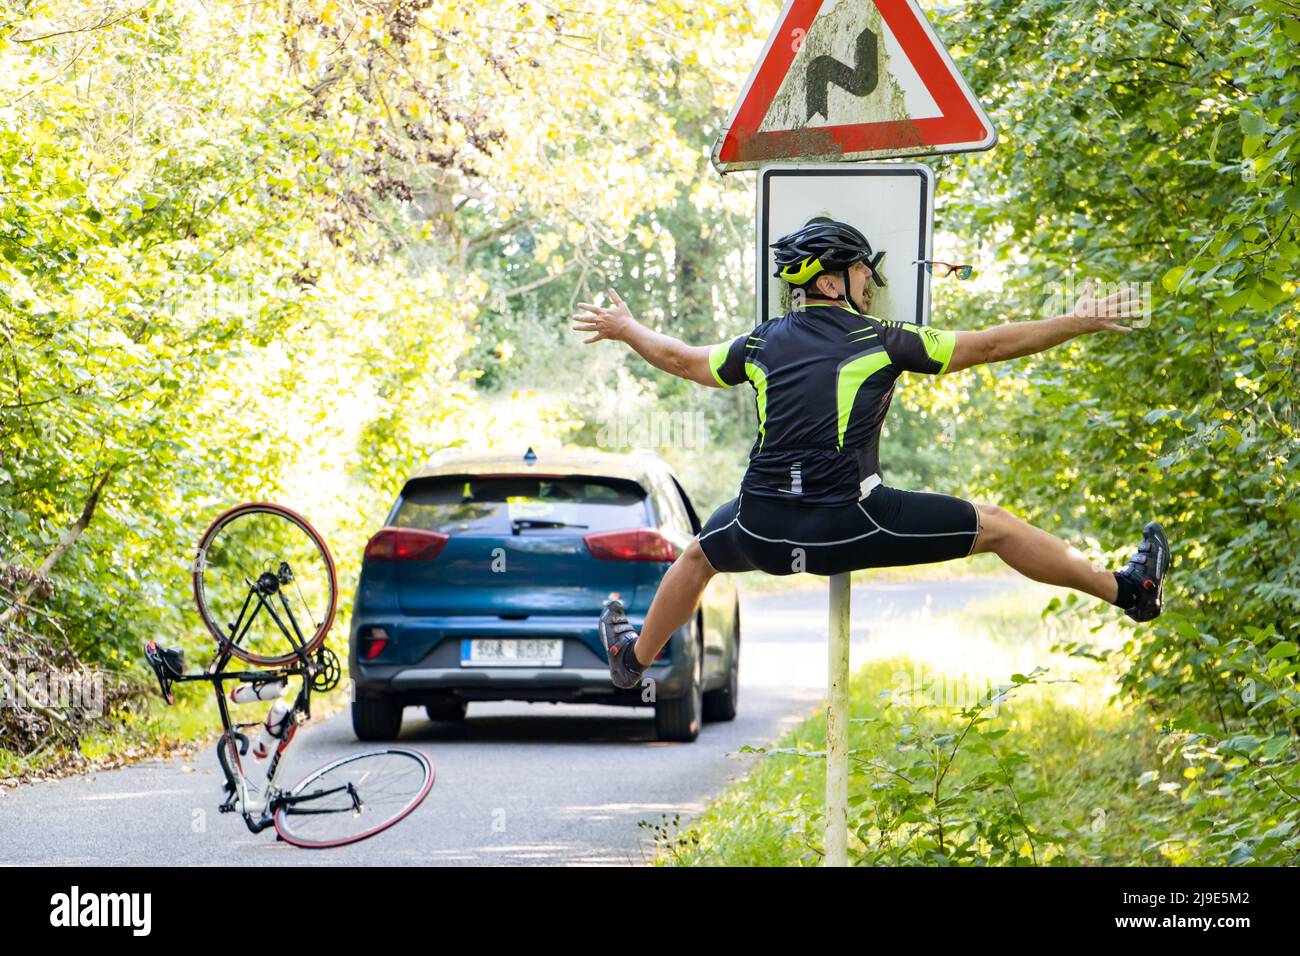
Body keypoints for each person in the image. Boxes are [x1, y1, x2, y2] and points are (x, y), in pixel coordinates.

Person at [572, 218, 1170, 690]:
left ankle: (632, 660)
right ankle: (1131, 592)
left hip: (761, 525)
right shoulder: (885, 339)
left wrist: (627, 328)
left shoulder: (756, 343)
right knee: (998, 529)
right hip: (850, 524)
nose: (869, 284)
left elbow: (679, 359)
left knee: (700, 554)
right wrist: (1077, 320)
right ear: (832, 282)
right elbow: (988, 346)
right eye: (862, 274)